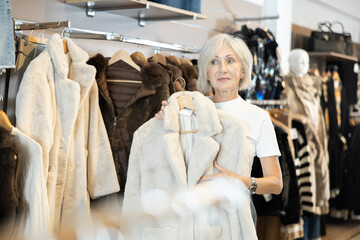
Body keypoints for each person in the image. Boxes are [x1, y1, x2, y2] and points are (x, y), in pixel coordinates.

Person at [155, 33, 283, 196]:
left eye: (230, 61)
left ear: (243, 70)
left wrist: (240, 181)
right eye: (214, 62)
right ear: (206, 72)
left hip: (232, 213)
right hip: (187, 211)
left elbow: (276, 184)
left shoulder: (258, 117)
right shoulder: (187, 110)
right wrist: (163, 123)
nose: (222, 69)